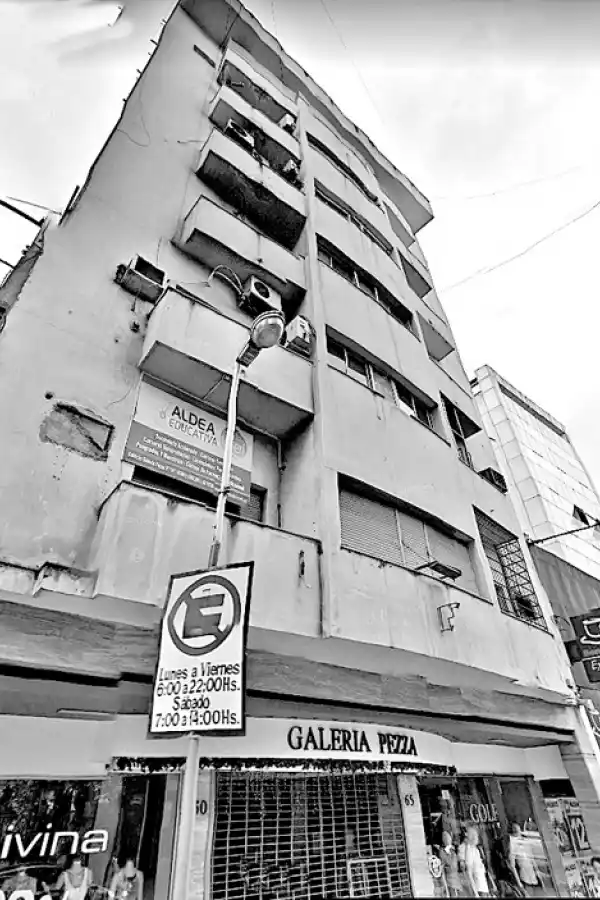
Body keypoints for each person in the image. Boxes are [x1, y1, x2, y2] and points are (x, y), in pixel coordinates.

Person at [509, 823, 541, 894]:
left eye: (517, 829)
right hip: (525, 878)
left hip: (533, 877)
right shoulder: (513, 844)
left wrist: (537, 871)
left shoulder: (525, 841)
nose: (517, 831)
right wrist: (519, 883)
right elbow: (512, 866)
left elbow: (532, 858)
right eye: (514, 829)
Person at [458, 826, 490, 897]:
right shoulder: (463, 847)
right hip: (474, 881)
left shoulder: (476, 849)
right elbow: (464, 867)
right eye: (475, 835)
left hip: (480, 879)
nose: (477, 837)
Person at [439, 831, 461, 898]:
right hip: (450, 880)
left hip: (456, 878)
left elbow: (456, 862)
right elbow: (448, 862)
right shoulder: (442, 851)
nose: (448, 840)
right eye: (446, 838)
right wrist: (448, 850)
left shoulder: (453, 850)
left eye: (449, 838)